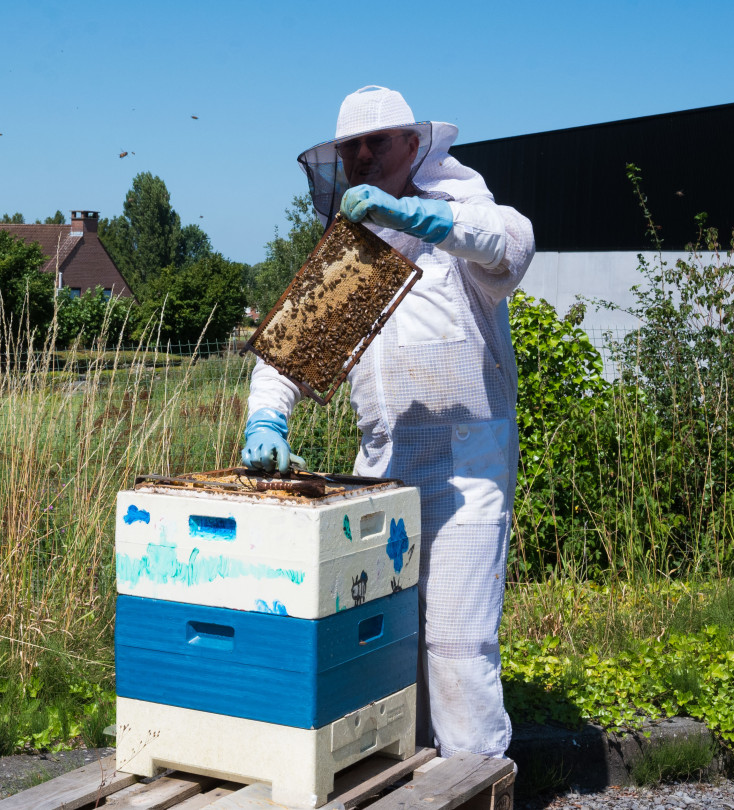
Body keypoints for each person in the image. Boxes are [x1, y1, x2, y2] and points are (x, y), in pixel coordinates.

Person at [241, 86, 534, 758]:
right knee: (383, 646)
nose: (365, 154)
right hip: (381, 468)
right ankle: (408, 784)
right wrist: (267, 421)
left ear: (414, 146)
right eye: (353, 146)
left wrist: (423, 221)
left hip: (468, 469)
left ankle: (477, 789)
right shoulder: (356, 252)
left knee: (458, 645)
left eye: (380, 141)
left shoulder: (459, 215)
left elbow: (510, 245)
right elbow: (288, 355)